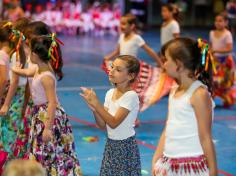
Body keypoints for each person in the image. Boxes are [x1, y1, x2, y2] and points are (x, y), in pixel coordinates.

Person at [11, 36, 82, 175]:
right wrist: (15, 69)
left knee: (49, 148)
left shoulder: (47, 76)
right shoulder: (39, 69)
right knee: (42, 148)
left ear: (36, 55)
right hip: (40, 114)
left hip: (48, 115)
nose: (29, 53)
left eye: (30, 51)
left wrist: (48, 128)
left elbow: (52, 102)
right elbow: (27, 72)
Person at [152, 38, 217, 176]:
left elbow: (206, 136)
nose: (163, 64)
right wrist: (156, 159)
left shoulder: (199, 94)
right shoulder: (174, 90)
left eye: (166, 60)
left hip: (191, 167)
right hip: (170, 164)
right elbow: (168, 127)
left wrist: (213, 171)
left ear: (178, 64)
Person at [81, 55, 141, 175]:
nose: (111, 71)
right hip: (111, 145)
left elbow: (114, 123)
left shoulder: (131, 96)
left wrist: (97, 104)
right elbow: (102, 124)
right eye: (112, 67)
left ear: (130, 76)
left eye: (118, 70)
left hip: (125, 146)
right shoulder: (110, 93)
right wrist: (94, 109)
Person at [209, 12, 235, 107]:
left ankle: (228, 99)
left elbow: (229, 48)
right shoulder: (211, 33)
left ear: (226, 22)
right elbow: (211, 46)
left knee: (225, 82)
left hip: (225, 62)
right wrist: (210, 51)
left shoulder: (227, 34)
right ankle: (211, 98)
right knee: (214, 81)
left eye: (220, 21)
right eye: (216, 21)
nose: (218, 23)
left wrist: (215, 50)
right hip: (215, 61)